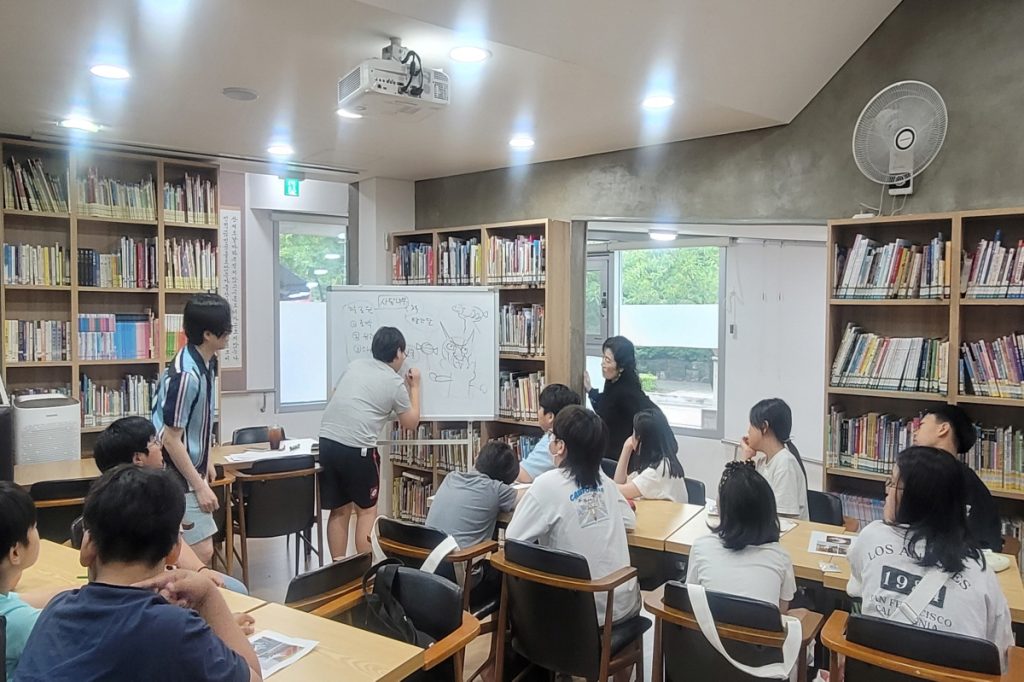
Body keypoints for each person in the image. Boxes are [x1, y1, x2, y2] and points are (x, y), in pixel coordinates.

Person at [15, 466, 262, 681]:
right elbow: (253, 677)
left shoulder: (55, 611)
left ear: (87, 546)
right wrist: (208, 595)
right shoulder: (174, 629)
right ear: (175, 551)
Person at [847, 446, 1013, 671]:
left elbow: (856, 586)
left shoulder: (872, 536)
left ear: (916, 498)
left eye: (894, 483)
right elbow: (1003, 659)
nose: (887, 490)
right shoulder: (980, 574)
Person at [506, 405, 640, 624]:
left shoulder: (546, 485)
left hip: (577, 614)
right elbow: (629, 520)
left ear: (560, 447)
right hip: (620, 606)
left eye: (553, 438)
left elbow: (513, 540)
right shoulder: (605, 483)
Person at [93, 416, 248, 595]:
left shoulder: (100, 498)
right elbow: (173, 550)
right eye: (154, 442)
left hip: (113, 587)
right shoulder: (160, 497)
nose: (160, 447)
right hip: (152, 588)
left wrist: (201, 570)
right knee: (236, 591)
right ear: (138, 458)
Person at [320, 326, 421, 559]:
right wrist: (415, 388)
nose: (404, 358)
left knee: (339, 510)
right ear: (397, 353)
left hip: (327, 442)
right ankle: (361, 572)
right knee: (366, 512)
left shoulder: (355, 366)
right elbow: (410, 422)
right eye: (404, 353)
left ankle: (338, 567)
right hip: (358, 449)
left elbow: (335, 396)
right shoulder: (393, 382)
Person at [152, 292, 231, 566]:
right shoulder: (187, 375)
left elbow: (204, 417)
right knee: (200, 552)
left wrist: (206, 459)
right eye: (225, 327)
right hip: (175, 474)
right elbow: (171, 439)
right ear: (208, 334)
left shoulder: (206, 363)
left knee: (198, 551)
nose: (229, 333)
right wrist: (199, 486)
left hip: (191, 467)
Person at [686, 461, 796, 611]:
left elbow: (691, 599)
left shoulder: (701, 548)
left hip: (708, 633)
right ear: (768, 509)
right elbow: (781, 613)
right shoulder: (780, 557)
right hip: (761, 633)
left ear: (722, 509)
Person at [913, 405, 1002, 551]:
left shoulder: (962, 480)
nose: (915, 433)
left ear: (943, 429)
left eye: (921, 426)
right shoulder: (926, 472)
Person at [0, 482, 65, 680]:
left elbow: (19, 599)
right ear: (15, 552)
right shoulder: (25, 623)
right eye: (34, 527)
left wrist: (84, 592)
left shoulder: (8, 607)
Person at [585, 336, 656, 461]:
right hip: (614, 449)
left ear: (621, 367)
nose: (602, 363)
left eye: (608, 360)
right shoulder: (613, 380)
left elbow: (608, 411)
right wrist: (590, 391)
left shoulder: (627, 392)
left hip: (623, 453)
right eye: (603, 357)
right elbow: (607, 405)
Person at [739, 398, 809, 520]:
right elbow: (744, 498)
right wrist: (747, 458)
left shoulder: (785, 463)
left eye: (751, 424)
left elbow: (782, 518)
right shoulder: (763, 462)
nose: (748, 430)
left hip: (784, 535)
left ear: (764, 427)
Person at [613, 407, 688, 503]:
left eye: (634, 433)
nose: (631, 437)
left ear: (641, 439)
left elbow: (619, 491)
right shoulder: (661, 461)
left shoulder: (658, 471)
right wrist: (626, 447)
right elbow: (619, 483)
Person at [517, 383, 580, 483]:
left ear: (550, 416)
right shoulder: (578, 433)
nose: (538, 412)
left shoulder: (552, 440)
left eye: (540, 408)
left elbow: (523, 476)